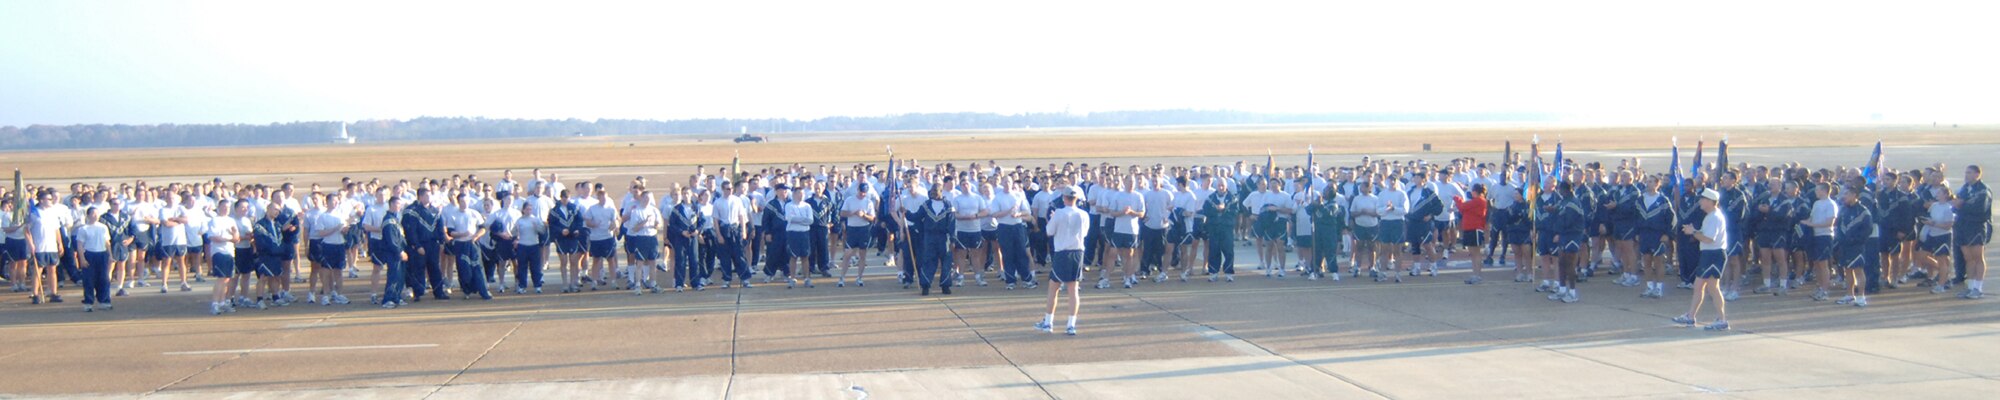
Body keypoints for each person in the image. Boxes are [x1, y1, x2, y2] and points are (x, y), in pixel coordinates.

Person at [1674, 188, 1731, 331]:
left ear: (1710, 202)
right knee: (1699, 286)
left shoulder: (1714, 217)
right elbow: (1706, 235)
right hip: (1708, 254)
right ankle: (1691, 316)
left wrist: (1693, 232)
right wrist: (1695, 231)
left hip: (1713, 254)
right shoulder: (1710, 216)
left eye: (1703, 199)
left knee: (1713, 287)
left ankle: (1722, 320)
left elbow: (1709, 239)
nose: (1700, 202)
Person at [1036, 189, 1089, 336]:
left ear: (1065, 198)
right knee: (1073, 289)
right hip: (1077, 252)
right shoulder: (1083, 214)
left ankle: (1048, 322)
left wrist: (1053, 219)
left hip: (1062, 252)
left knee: (1053, 288)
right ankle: (1071, 325)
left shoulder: (1059, 213)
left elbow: (1049, 231)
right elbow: (1085, 233)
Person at [1835, 185, 1874, 306]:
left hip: (1857, 246)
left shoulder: (1863, 211)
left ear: (1854, 195)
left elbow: (1868, 229)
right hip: (1844, 245)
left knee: (1858, 270)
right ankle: (1849, 295)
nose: (1844, 196)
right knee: (1847, 270)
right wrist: (1840, 239)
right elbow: (1838, 226)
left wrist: (1855, 240)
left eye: (1846, 194)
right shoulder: (1843, 209)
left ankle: (1861, 297)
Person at [1954, 165, 1989, 299]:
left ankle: (1978, 288)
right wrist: (1958, 205)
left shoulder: (1983, 190)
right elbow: (1956, 204)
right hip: (1962, 226)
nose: (1966, 175)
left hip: (1976, 226)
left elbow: (1979, 208)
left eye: (1969, 173)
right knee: (1968, 258)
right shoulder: (1964, 188)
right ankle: (1970, 286)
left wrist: (1961, 205)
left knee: (1977, 257)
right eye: (1965, 172)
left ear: (1977, 174)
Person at [206, 199, 243, 315]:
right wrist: (229, 239)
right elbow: (213, 237)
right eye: (224, 207)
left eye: (228, 207)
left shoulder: (231, 220)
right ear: (219, 207)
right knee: (221, 278)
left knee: (227, 278)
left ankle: (222, 302)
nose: (226, 209)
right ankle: (215, 303)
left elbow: (237, 238)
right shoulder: (214, 220)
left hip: (230, 252)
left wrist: (234, 235)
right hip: (219, 252)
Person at [838, 183, 876, 287]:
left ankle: (859, 277)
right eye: (861, 192)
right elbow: (842, 213)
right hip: (852, 229)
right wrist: (853, 213)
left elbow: (872, 218)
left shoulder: (868, 202)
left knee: (862, 254)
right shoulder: (849, 200)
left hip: (864, 229)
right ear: (857, 190)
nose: (862, 194)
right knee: (847, 254)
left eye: (864, 192)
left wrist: (864, 215)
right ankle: (842, 277)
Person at [625, 191, 663, 294]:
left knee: (653, 262)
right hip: (641, 238)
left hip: (652, 238)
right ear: (641, 198)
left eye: (649, 198)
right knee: (640, 262)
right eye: (646, 198)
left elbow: (659, 225)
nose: (647, 200)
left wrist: (656, 225)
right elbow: (633, 228)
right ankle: (638, 285)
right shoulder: (636, 211)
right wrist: (644, 222)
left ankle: (653, 283)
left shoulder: (654, 210)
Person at [75, 206, 112, 312]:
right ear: (88, 215)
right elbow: (80, 245)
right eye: (93, 214)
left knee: (104, 279)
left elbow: (107, 242)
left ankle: (104, 301)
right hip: (89, 254)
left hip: (102, 254)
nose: (96, 216)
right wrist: (82, 259)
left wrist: (110, 255)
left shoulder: (103, 227)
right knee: (89, 280)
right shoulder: (83, 229)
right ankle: (88, 302)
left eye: (97, 213)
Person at [378, 197, 409, 308]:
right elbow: (391, 239)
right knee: (393, 276)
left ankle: (397, 297)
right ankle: (388, 299)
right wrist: (399, 251)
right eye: (397, 204)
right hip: (393, 253)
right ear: (391, 204)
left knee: (400, 276)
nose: (399, 206)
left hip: (399, 251)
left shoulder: (395, 219)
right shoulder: (389, 220)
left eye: (400, 204)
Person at [782, 186, 815, 288]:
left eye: (802, 193)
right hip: (793, 233)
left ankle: (807, 278)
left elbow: (810, 220)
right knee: (793, 256)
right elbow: (789, 218)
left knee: (805, 256)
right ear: (794, 194)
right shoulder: (789, 205)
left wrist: (798, 219)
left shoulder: (807, 206)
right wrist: (803, 220)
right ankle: (792, 278)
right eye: (799, 193)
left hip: (804, 233)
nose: (801, 196)